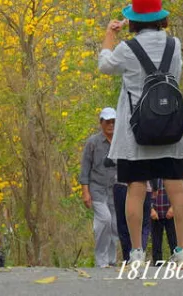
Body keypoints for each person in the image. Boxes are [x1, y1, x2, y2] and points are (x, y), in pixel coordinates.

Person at [99, 0, 183, 264]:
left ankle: (137, 252)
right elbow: (174, 75)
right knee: (176, 187)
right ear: (160, 16)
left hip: (136, 133)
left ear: (134, 19)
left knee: (136, 189)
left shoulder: (127, 49)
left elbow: (105, 66)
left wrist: (109, 34)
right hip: (170, 129)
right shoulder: (174, 45)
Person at [79, 107, 120, 267]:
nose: (110, 125)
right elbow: (85, 168)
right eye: (107, 121)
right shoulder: (93, 142)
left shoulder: (120, 142)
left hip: (116, 190)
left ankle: (111, 259)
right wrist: (85, 192)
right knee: (104, 220)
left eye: (113, 121)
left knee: (114, 224)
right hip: (97, 189)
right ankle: (101, 260)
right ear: (101, 122)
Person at [114, 180, 153, 262]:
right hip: (146, 186)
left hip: (123, 183)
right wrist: (156, 186)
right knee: (144, 226)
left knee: (124, 225)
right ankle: (138, 253)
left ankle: (132, 255)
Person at [150, 178, 177, 263]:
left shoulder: (170, 175)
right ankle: (157, 263)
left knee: (173, 240)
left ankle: (176, 260)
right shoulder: (151, 176)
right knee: (156, 241)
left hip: (170, 212)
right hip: (155, 214)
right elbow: (146, 194)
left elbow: (178, 193)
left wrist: (173, 207)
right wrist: (150, 209)